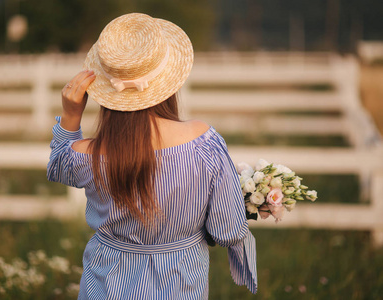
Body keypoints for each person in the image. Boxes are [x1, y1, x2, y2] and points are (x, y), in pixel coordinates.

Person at [47, 13, 257, 300]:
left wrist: (71, 115)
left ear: (107, 90)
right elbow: (227, 230)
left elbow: (59, 166)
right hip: (181, 284)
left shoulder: (89, 154)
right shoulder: (203, 142)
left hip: (105, 285)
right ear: (168, 82)